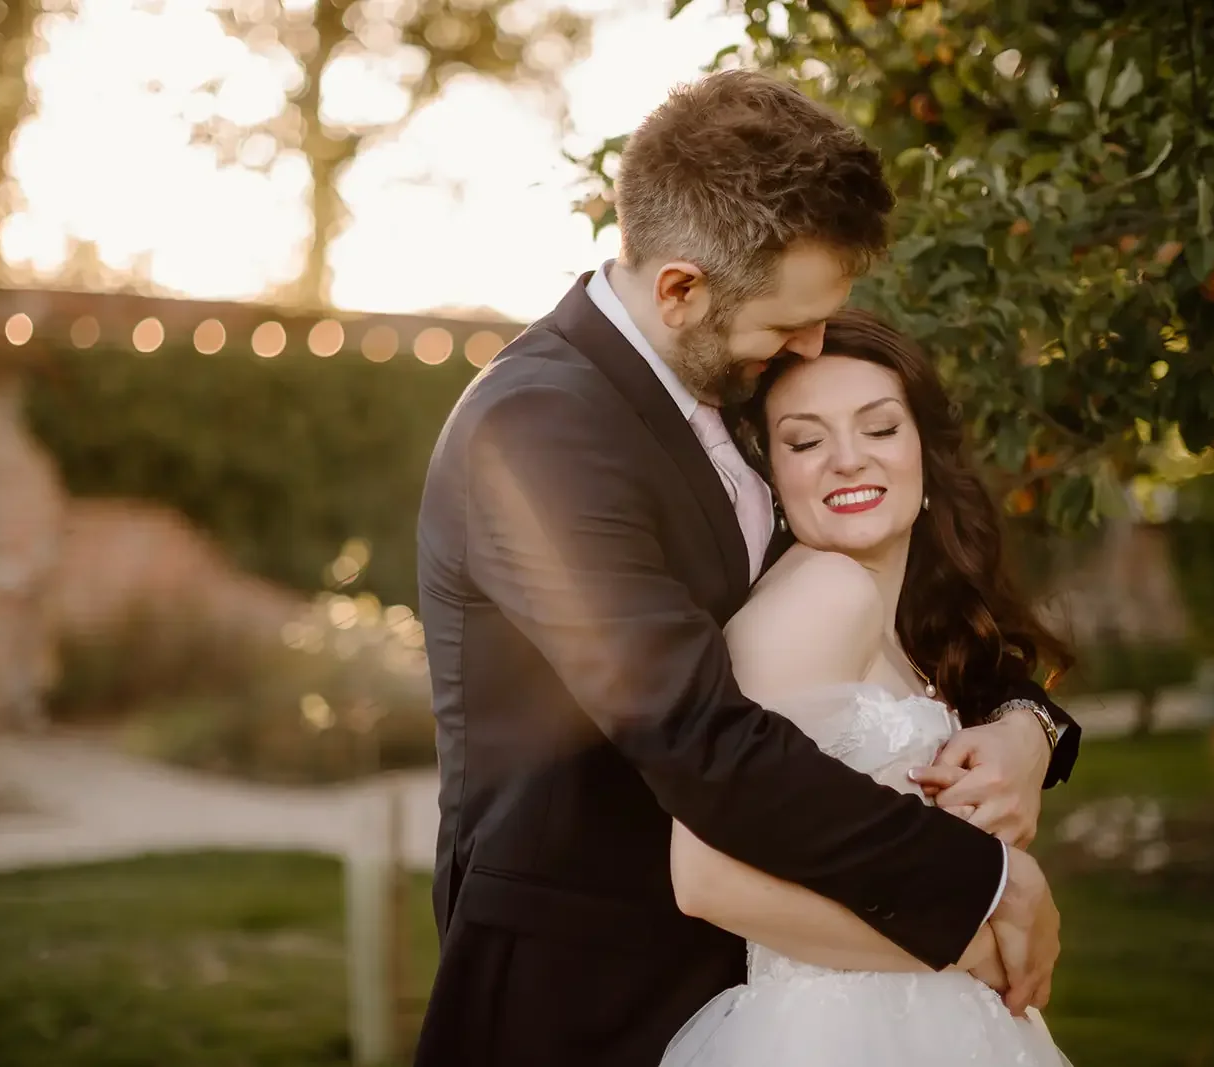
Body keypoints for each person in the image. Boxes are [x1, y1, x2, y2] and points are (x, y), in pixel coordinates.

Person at [412, 69, 1081, 1067]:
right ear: (680, 288)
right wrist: (981, 879)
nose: (809, 345)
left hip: (757, 976)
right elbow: (695, 730)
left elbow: (908, 620)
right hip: (585, 990)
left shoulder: (729, 381)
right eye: (787, 322)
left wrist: (1029, 728)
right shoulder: (537, 428)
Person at [659, 309, 1074, 1066]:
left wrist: (1028, 729)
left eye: (879, 428)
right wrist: (965, 950)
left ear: (923, 450)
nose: (847, 460)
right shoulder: (823, 598)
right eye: (806, 440)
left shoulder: (899, 618)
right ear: (773, 471)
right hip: (840, 1032)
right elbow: (707, 877)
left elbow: (1012, 691)